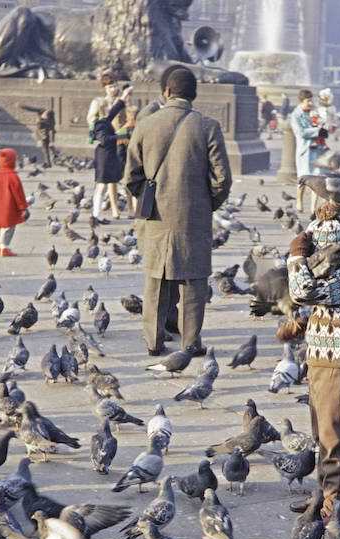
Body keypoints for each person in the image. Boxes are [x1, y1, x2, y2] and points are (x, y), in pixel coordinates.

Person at [125, 66, 232, 357]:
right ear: (193, 94)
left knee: (155, 278)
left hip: (155, 217)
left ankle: (153, 341)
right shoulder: (208, 126)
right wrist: (206, 204)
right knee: (193, 280)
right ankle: (190, 342)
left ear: (166, 91)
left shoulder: (145, 125)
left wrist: (152, 198)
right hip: (193, 216)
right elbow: (223, 179)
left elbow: (131, 177)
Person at [285, 201, 340, 524]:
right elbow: (321, 303)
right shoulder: (337, 277)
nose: (313, 260)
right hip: (324, 365)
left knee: (334, 441)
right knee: (322, 436)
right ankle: (323, 494)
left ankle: (334, 510)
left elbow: (303, 291)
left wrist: (294, 258)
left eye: (317, 253)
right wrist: (304, 325)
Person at [88, 79, 132, 222]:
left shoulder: (104, 121)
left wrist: (124, 95)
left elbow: (115, 109)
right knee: (100, 187)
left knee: (106, 184)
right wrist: (121, 135)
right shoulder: (98, 125)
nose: (107, 109)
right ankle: (95, 215)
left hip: (109, 155)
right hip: (103, 157)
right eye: (104, 108)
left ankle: (98, 213)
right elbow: (105, 139)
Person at [291, 89, 329, 212]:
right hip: (304, 150)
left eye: (312, 101)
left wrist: (324, 127)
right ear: (302, 101)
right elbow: (301, 132)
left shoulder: (314, 112)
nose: (311, 103)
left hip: (316, 149)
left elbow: (323, 123)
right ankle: (299, 200)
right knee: (303, 177)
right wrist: (317, 131)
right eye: (308, 101)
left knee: (317, 178)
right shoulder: (296, 115)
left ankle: (313, 208)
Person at [0, 147, 29, 257]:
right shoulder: (13, 176)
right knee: (8, 227)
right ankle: (4, 248)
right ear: (12, 161)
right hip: (8, 207)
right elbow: (19, 194)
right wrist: (23, 207)